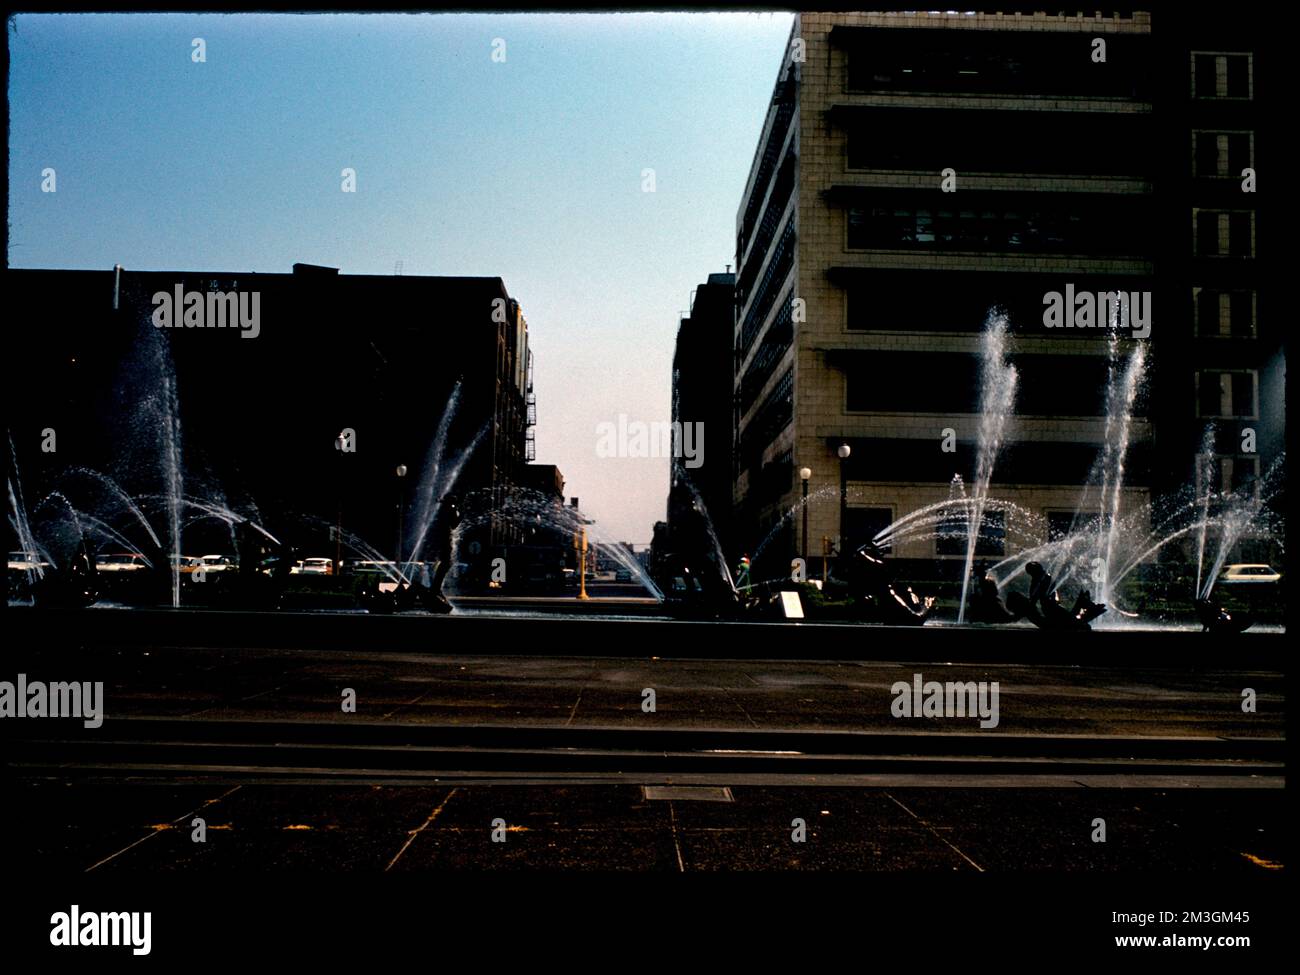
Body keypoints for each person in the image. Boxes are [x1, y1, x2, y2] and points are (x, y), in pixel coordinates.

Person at [428, 493, 461, 613]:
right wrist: (460, 515)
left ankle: (436, 587)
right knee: (446, 563)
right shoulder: (450, 510)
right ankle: (436, 588)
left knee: (446, 563)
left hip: (443, 539)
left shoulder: (444, 509)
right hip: (445, 539)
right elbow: (454, 524)